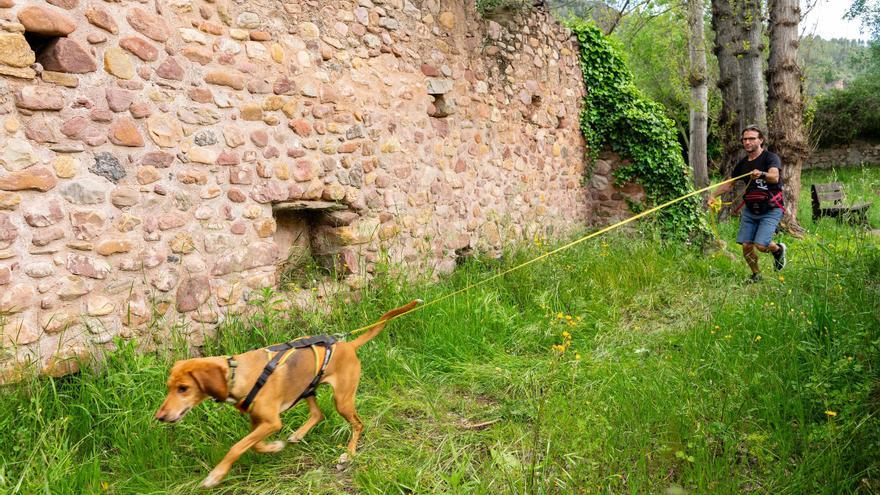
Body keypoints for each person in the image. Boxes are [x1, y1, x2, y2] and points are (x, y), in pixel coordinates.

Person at [708, 125, 787, 282]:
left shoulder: (770, 158)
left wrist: (762, 174)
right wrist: (713, 195)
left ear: (761, 140)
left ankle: (778, 250)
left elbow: (774, 177)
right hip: (751, 209)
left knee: (761, 245)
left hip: (771, 208)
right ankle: (756, 275)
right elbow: (729, 184)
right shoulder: (742, 164)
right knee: (746, 246)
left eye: (752, 138)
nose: (747, 142)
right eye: (745, 139)